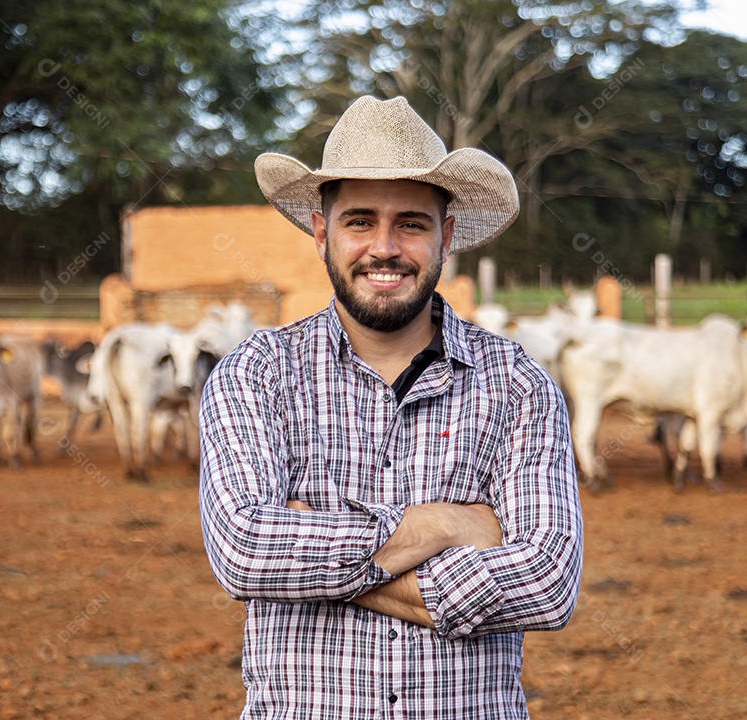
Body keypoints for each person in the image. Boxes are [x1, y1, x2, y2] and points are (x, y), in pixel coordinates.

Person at [199, 95, 583, 719]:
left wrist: (314, 561)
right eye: (358, 221)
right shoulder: (256, 374)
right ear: (321, 232)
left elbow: (547, 585)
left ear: (446, 235)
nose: (384, 248)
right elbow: (245, 553)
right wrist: (444, 527)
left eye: (410, 222)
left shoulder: (518, 384)